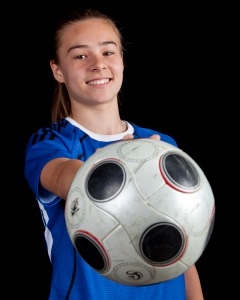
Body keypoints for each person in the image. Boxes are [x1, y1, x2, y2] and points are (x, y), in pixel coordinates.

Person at [24, 8, 204, 300]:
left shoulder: (161, 145)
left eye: (108, 52)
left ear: (122, 60)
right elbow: (66, 178)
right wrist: (132, 165)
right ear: (58, 70)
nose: (98, 65)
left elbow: (184, 251)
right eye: (80, 56)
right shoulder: (50, 143)